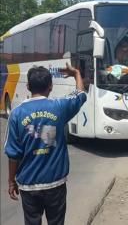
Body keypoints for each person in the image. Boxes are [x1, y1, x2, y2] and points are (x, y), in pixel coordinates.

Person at [4, 64, 86, 225]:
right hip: (55, 184)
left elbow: (13, 154)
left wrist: (11, 181)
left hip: (29, 186)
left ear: (27, 86)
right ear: (50, 87)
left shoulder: (16, 114)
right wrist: (76, 73)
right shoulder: (59, 107)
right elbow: (81, 94)